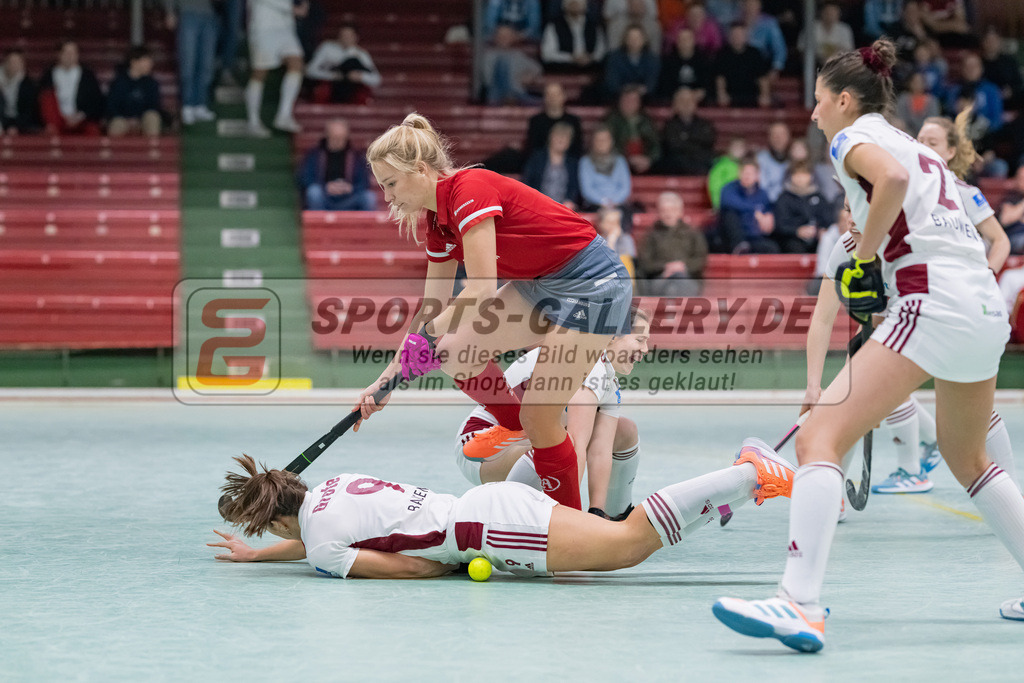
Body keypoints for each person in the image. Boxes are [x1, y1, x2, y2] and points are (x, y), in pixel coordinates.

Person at [714, 38, 1024, 653]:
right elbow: (913, 192)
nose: (813, 113)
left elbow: (893, 182)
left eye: (819, 101)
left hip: (933, 300)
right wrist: (877, 242)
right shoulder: (910, 141)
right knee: (970, 459)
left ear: (846, 100)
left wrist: (862, 254)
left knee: (818, 436)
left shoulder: (852, 140)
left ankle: (798, 603)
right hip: (984, 308)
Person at [354, 113, 634, 512]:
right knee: (455, 353)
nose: (388, 196)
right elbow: (431, 309)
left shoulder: (470, 189)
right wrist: (384, 380)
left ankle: (573, 529)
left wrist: (429, 335)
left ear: (419, 169)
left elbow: (482, 288)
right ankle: (518, 430)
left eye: (391, 183)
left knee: (542, 417)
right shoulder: (438, 224)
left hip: (594, 283)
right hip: (541, 283)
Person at [209, 436, 799, 578]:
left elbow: (416, 568)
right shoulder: (334, 486)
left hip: (488, 531)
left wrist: (454, 565)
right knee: (614, 543)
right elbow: (320, 538)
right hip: (488, 503)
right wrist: (258, 556)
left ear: (274, 518)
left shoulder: (322, 547)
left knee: (625, 547)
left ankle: (748, 472)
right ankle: (744, 487)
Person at [455, 307, 650, 520]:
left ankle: (617, 517)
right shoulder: (587, 360)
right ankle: (498, 519)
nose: (646, 348)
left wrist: (596, 513)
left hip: (520, 446)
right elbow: (575, 445)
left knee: (624, 430)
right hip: (479, 448)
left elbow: (600, 450)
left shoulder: (609, 381)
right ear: (612, 336)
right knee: (559, 446)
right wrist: (573, 519)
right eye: (640, 340)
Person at [244, 0, 306, 136]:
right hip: (263, 26)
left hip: (286, 28)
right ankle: (253, 122)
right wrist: (292, 8)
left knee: (296, 62)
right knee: (260, 72)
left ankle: (284, 115)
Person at [637, 191, 707, 296]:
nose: (668, 214)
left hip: (687, 278)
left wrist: (682, 266)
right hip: (660, 279)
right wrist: (666, 267)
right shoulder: (650, 235)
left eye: (672, 210)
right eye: (664, 210)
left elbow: (701, 259)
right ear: (659, 212)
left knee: (679, 284)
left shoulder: (693, 233)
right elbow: (645, 263)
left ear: (680, 212)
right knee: (670, 289)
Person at [297, 119, 376, 211]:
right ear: (327, 135)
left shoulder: (356, 156)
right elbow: (305, 178)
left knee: (369, 198)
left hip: (349, 199)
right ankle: (318, 224)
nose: (338, 141)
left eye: (341, 138)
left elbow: (364, 181)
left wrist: (350, 188)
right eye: (334, 137)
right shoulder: (315, 155)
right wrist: (326, 187)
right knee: (314, 193)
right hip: (325, 198)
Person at [164, 0, 218, 125]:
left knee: (206, 65)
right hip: (187, 13)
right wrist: (170, 11)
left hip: (209, 14)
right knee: (188, 63)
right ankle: (187, 105)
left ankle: (200, 104)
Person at [37, 40, 104, 136]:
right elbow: (42, 102)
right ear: (59, 54)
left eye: (73, 52)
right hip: (56, 121)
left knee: (92, 131)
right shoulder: (48, 76)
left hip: (81, 121)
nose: (69, 56)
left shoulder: (88, 76)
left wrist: (80, 116)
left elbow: (96, 102)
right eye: (66, 52)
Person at [305, 24, 382, 105]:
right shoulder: (327, 48)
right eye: (343, 35)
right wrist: (333, 76)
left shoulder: (361, 54)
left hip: (351, 88)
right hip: (332, 86)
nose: (346, 38)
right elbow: (310, 70)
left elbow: (376, 79)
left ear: (356, 37)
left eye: (349, 36)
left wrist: (360, 76)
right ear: (338, 36)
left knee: (353, 62)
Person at [715, 156, 778, 254]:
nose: (747, 176)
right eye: (744, 172)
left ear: (757, 175)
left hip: (754, 237)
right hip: (732, 238)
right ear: (739, 173)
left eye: (750, 173)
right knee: (729, 214)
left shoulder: (762, 194)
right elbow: (727, 204)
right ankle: (739, 246)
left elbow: (767, 212)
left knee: (772, 248)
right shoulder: (728, 189)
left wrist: (768, 216)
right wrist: (754, 211)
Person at [772, 162, 832, 254]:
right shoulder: (784, 198)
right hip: (792, 240)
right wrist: (797, 231)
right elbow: (780, 225)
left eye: (804, 174)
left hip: (816, 239)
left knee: (828, 243)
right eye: (796, 174)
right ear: (791, 176)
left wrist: (821, 230)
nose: (800, 178)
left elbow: (827, 219)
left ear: (811, 176)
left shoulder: (819, 197)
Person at [655, 87, 716, 176]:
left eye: (689, 100)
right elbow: (673, 145)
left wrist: (686, 138)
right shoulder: (669, 126)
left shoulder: (705, 125)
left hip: (701, 166)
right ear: (675, 105)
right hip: (677, 169)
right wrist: (695, 141)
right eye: (682, 101)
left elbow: (708, 141)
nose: (686, 104)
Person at [105, 46, 163, 138]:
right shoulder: (118, 83)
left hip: (142, 121)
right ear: (134, 62)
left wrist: (138, 120)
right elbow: (112, 107)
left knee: (152, 117)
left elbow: (154, 106)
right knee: (117, 123)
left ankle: (152, 151)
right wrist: (127, 120)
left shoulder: (152, 84)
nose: (150, 64)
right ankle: (114, 151)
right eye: (146, 60)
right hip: (123, 121)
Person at [479, 23, 544, 105]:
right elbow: (487, 80)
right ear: (495, 37)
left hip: (518, 96)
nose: (504, 38)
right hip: (495, 95)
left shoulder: (518, 55)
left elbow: (537, 68)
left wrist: (530, 75)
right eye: (501, 36)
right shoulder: (488, 56)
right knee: (502, 63)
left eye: (507, 36)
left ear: (513, 38)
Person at [521, 121, 581, 208]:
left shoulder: (573, 163)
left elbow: (574, 187)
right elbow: (527, 181)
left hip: (564, 207)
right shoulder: (537, 158)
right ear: (550, 137)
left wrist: (569, 200)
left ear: (570, 141)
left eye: (565, 137)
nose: (561, 140)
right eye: (558, 136)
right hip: (538, 204)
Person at [603, 85, 660, 175]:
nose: (629, 103)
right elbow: (607, 145)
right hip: (618, 163)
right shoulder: (611, 120)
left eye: (633, 101)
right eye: (626, 100)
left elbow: (656, 145)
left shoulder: (647, 121)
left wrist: (649, 159)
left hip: (644, 163)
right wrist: (627, 159)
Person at [540, 0, 607, 73]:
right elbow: (547, 54)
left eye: (578, 2)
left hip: (590, 68)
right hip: (562, 70)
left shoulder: (595, 26)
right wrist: (571, 58)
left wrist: (590, 58)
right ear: (564, 5)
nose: (575, 5)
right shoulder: (553, 26)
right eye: (571, 3)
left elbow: (601, 52)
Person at [714, 22, 770, 108]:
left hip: (752, 95)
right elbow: (720, 78)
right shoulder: (722, 54)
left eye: (740, 34)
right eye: (734, 34)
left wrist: (764, 95)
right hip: (730, 96)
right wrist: (722, 94)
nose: (737, 37)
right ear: (729, 36)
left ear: (746, 36)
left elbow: (762, 77)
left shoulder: (755, 53)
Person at [579, 125, 632, 211]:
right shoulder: (585, 161)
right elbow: (587, 189)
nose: (602, 143)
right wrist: (603, 202)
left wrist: (613, 202)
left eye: (605, 140)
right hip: (594, 204)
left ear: (611, 141)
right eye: (598, 140)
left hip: (618, 204)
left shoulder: (620, 161)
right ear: (593, 142)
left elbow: (625, 188)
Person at [525, 81, 584, 158]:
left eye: (556, 94)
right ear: (544, 98)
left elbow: (577, 148)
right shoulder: (535, 121)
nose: (553, 98)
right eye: (549, 95)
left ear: (564, 96)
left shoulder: (574, 121)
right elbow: (533, 148)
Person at [603, 24, 660, 101]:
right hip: (618, 98)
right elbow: (612, 82)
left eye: (637, 38)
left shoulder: (653, 59)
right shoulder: (614, 58)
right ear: (625, 39)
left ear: (644, 39)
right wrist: (626, 90)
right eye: (631, 38)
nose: (634, 41)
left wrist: (641, 90)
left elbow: (652, 83)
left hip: (645, 99)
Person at [657, 27, 714, 102]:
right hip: (674, 99)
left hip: (698, 100)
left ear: (694, 41)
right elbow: (665, 84)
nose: (684, 42)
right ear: (677, 42)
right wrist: (680, 95)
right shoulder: (668, 60)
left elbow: (708, 83)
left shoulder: (703, 60)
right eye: (682, 39)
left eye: (687, 39)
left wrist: (698, 93)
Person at [739, 0, 786, 78]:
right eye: (747, 4)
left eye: (753, 4)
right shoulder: (736, 20)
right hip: (739, 64)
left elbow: (779, 49)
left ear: (759, 5)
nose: (750, 7)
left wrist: (775, 69)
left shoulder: (769, 23)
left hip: (761, 66)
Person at [980, 28, 1023, 110]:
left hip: (1009, 101)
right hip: (986, 102)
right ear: (983, 42)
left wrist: (1011, 91)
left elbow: (1018, 83)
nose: (991, 44)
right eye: (988, 40)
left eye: (994, 40)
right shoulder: (978, 62)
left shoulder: (1010, 61)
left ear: (999, 42)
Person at [0, 49, 39, 134]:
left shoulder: (28, 85)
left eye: (17, 62)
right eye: (11, 62)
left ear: (22, 64)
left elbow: (29, 111)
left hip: (21, 124)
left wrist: (18, 127)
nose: (13, 65)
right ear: (5, 63)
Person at [895, 71, 940, 136]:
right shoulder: (903, 99)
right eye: (914, 82)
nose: (917, 84)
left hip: (927, 132)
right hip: (907, 133)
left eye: (920, 81)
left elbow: (933, 119)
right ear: (909, 83)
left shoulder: (932, 100)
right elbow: (900, 117)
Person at [755, 121, 791, 202]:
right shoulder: (760, 159)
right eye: (774, 134)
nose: (778, 138)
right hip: (767, 204)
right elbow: (761, 188)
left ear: (788, 137)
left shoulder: (795, 158)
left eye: (782, 134)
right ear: (769, 137)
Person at [707, 136, 746, 210]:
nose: (738, 149)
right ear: (729, 148)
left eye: (741, 147)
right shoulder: (720, 166)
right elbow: (715, 188)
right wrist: (719, 206)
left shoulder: (747, 166)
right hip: (727, 207)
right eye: (735, 146)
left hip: (743, 207)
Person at [999, 166, 1024, 254]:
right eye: (1020, 178)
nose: (1021, 181)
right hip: (1013, 236)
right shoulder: (1012, 196)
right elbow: (1005, 220)